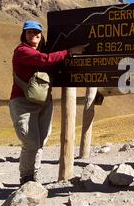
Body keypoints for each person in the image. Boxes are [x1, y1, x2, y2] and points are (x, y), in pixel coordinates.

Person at [9, 20, 87, 185]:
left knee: (41, 141)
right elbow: (45, 60)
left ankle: (33, 175)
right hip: (23, 102)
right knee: (30, 142)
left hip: (44, 102)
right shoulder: (22, 51)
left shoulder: (43, 49)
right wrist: (70, 51)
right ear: (24, 34)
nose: (34, 35)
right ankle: (26, 177)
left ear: (41, 34)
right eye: (29, 32)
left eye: (37, 32)